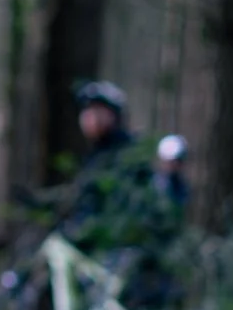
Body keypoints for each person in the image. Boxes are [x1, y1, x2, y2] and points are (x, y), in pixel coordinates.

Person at [65, 80, 186, 254]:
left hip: (118, 252)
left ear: (114, 115)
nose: (89, 117)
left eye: (97, 111)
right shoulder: (96, 156)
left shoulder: (128, 156)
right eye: (87, 111)